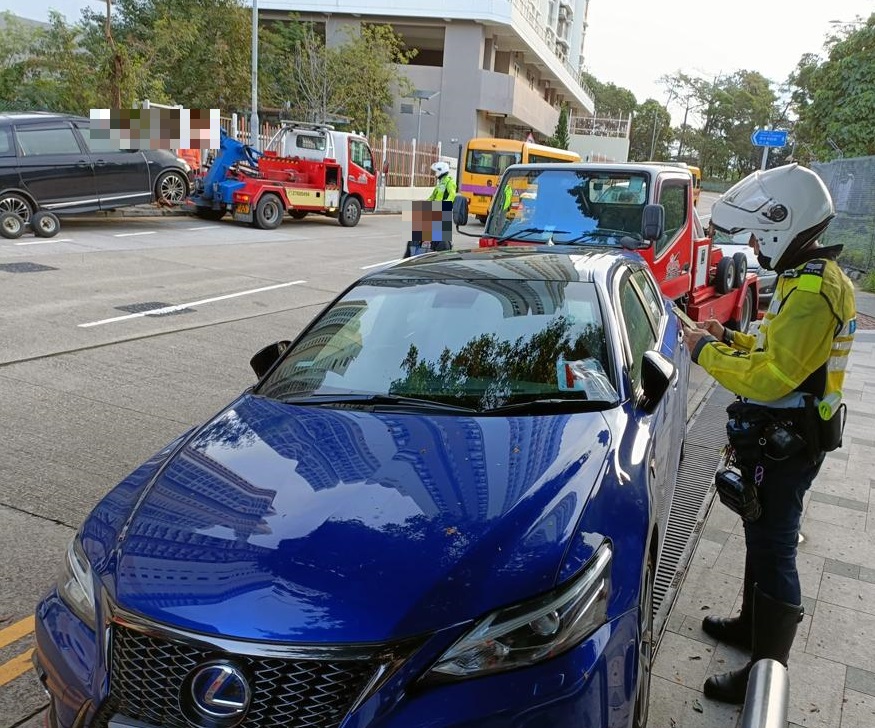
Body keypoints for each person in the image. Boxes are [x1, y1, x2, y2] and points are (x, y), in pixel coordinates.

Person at [682, 163, 857, 705]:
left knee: (776, 547)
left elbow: (773, 376)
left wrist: (704, 352)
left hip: (792, 439)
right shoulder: (803, 279)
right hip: (785, 432)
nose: (756, 245)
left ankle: (766, 675)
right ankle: (749, 628)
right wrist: (727, 337)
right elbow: (775, 353)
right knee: (761, 536)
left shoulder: (812, 291)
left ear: (785, 223)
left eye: (761, 233)